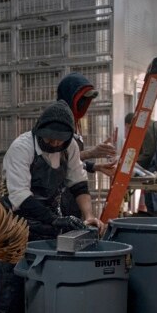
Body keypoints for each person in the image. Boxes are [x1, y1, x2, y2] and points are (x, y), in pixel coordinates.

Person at [0, 100, 105, 313]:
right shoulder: (22, 148)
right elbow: (20, 196)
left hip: (47, 217)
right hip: (14, 218)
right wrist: (56, 221)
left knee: (42, 272)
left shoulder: (69, 147)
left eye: (59, 140)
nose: (54, 143)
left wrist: (88, 216)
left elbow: (78, 183)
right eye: (49, 138)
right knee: (9, 277)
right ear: (38, 131)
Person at [56, 72, 117, 217]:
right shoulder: (58, 122)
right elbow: (58, 158)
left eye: (87, 100)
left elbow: (73, 162)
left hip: (73, 191)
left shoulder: (75, 122)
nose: (84, 104)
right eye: (81, 99)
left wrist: (95, 166)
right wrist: (91, 153)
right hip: (59, 194)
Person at [124, 112, 157, 216]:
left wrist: (132, 167)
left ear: (129, 124)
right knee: (155, 197)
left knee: (156, 201)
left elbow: (148, 154)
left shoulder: (145, 129)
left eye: (128, 128)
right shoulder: (152, 124)